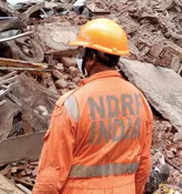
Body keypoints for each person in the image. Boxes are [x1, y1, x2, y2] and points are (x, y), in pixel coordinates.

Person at [33, 18, 153, 194]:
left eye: (82, 53)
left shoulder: (73, 104)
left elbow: (51, 174)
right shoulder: (139, 101)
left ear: (92, 58)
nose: (79, 58)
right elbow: (144, 164)